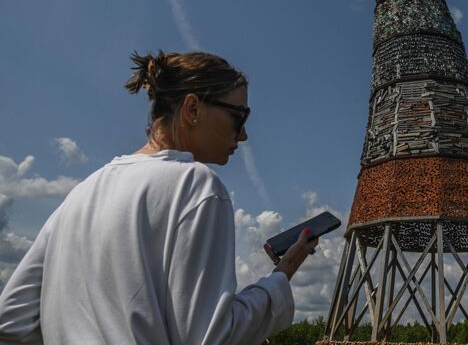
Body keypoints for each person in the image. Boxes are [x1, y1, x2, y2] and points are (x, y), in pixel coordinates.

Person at [0, 51, 317, 344]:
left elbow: (11, 319)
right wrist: (280, 277)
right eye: (239, 115)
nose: (243, 134)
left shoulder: (79, 194)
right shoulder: (195, 185)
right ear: (192, 108)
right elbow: (211, 336)